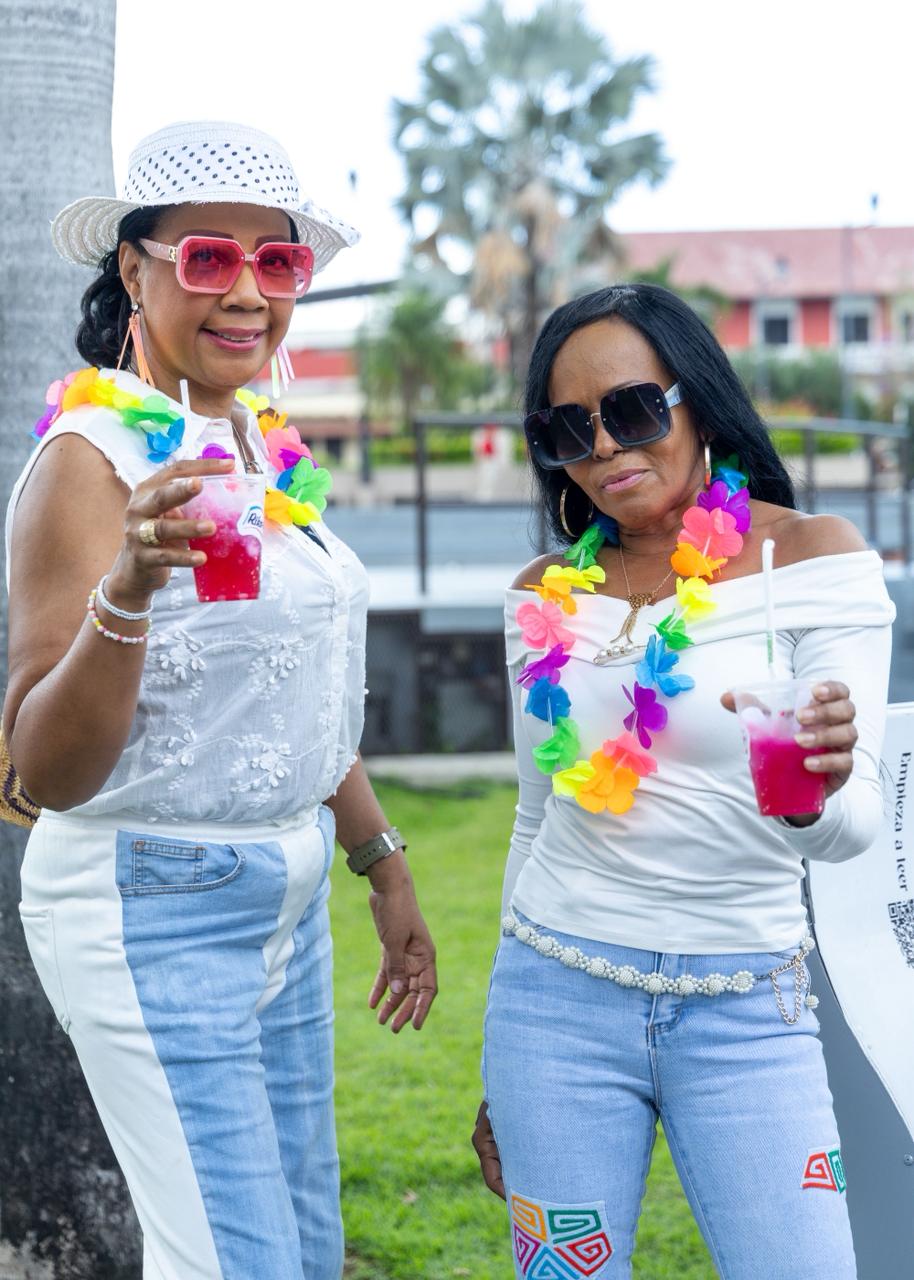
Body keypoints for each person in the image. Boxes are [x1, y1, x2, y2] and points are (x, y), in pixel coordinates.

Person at [5, 120, 437, 1280]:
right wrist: (130, 586)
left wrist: (379, 858)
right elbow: (41, 771)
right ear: (133, 269)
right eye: (208, 257)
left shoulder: (255, 442)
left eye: (277, 261)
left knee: (301, 1252)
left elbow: (289, 688)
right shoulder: (89, 459)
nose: (249, 291)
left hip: (286, 899)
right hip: (152, 899)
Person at [472, 284, 894, 1280]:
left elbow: (854, 825)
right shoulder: (543, 596)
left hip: (745, 1004)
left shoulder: (813, 561)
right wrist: (503, 1052)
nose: (603, 447)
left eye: (629, 410)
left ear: (695, 399)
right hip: (552, 1000)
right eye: (566, 428)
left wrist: (811, 791)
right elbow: (535, 816)